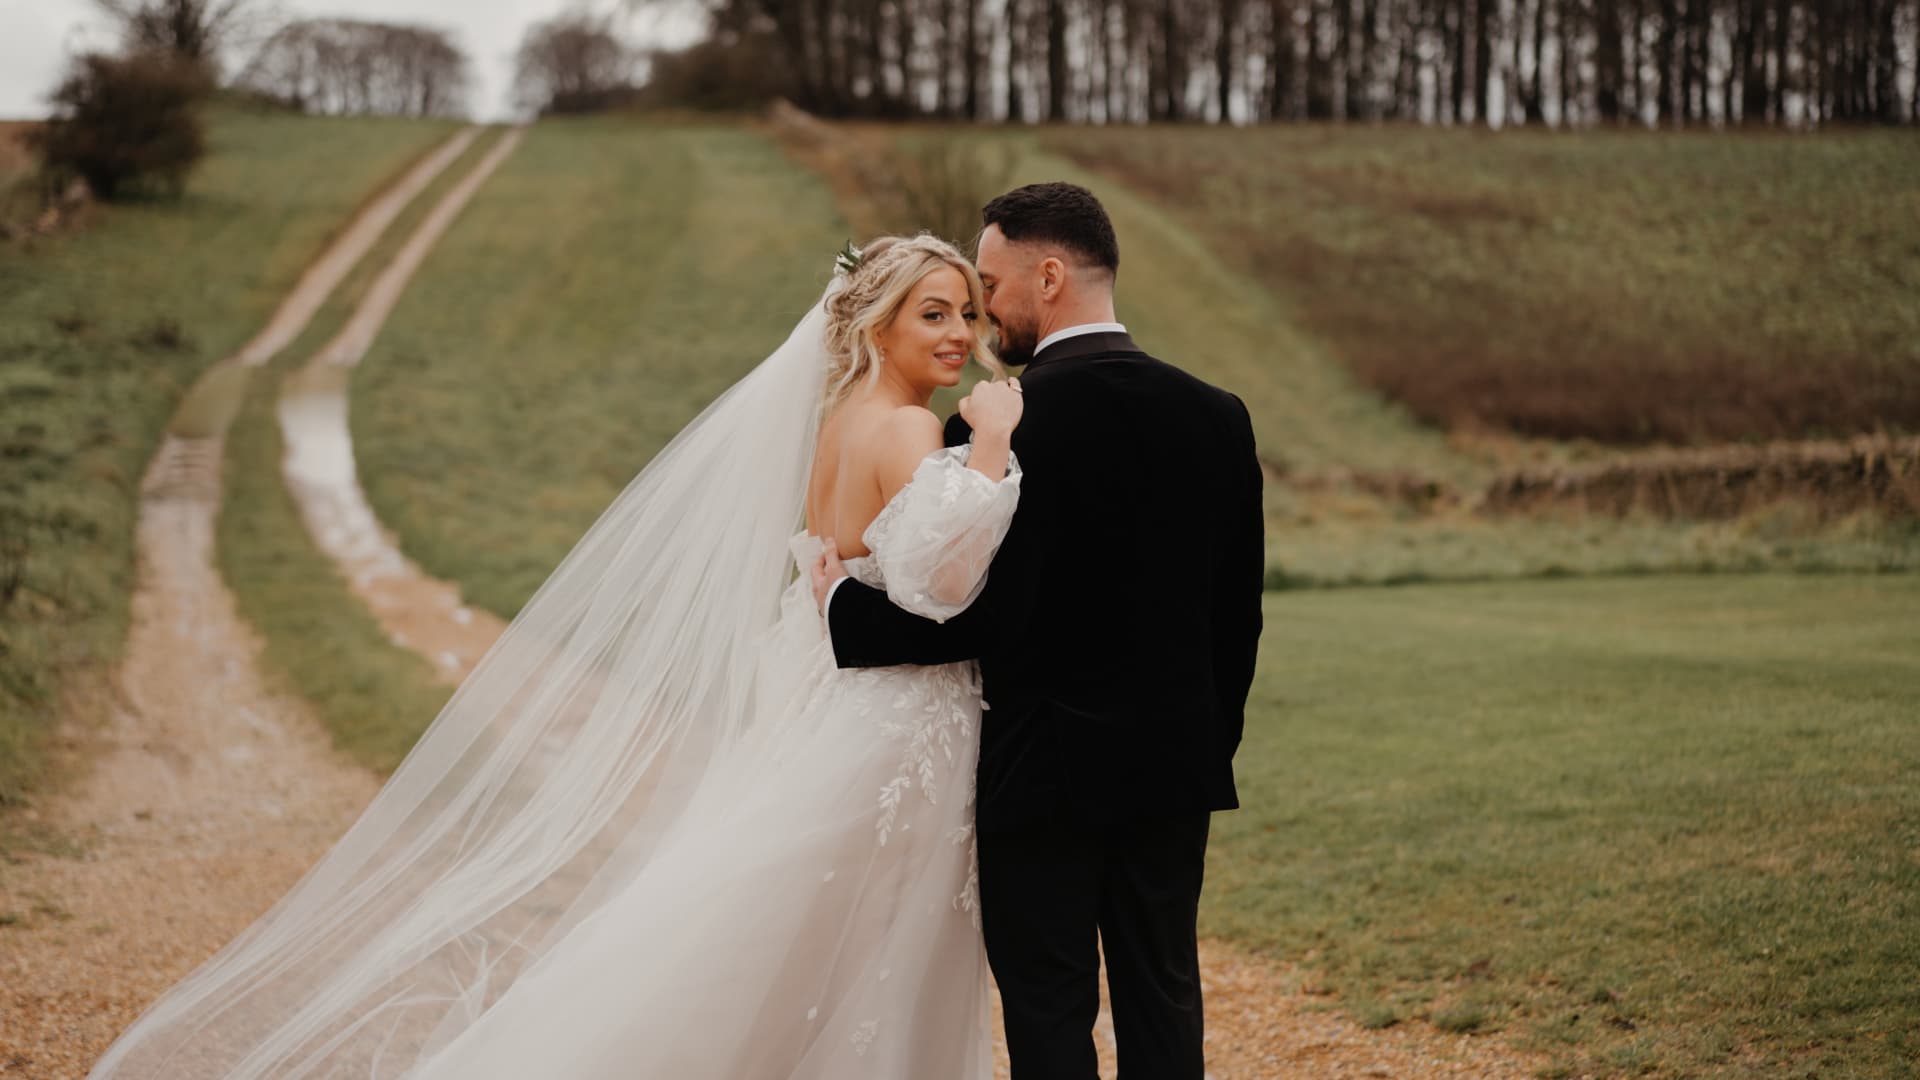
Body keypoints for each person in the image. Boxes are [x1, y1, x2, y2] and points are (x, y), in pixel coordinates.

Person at [86, 234, 1025, 1078]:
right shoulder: (907, 427)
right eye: (931, 313)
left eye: (965, 314)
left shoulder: (842, 421)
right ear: (874, 321)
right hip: (898, 725)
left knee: (803, 927)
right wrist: (988, 444)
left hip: (846, 710)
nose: (956, 335)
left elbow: (865, 573)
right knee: (867, 939)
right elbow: (945, 585)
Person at [814, 182, 1266, 1080]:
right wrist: (1206, 743)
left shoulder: (1004, 425)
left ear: (1048, 276)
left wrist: (838, 608)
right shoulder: (1219, 415)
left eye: (991, 284)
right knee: (1164, 992)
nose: (984, 311)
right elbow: (1237, 614)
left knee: (1049, 1005)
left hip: (1040, 769)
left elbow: (975, 608)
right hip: (1175, 767)